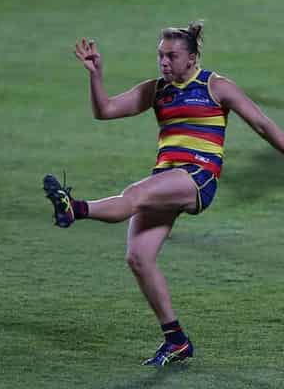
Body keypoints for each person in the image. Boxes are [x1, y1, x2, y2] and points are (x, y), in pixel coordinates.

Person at [43, 21, 284, 366]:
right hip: (167, 177)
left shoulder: (216, 86)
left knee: (135, 195)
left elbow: (263, 125)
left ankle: (74, 208)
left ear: (192, 58)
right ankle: (176, 340)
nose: (164, 62)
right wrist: (95, 75)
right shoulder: (157, 90)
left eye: (172, 56)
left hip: (198, 176)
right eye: (160, 55)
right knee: (138, 257)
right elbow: (106, 110)